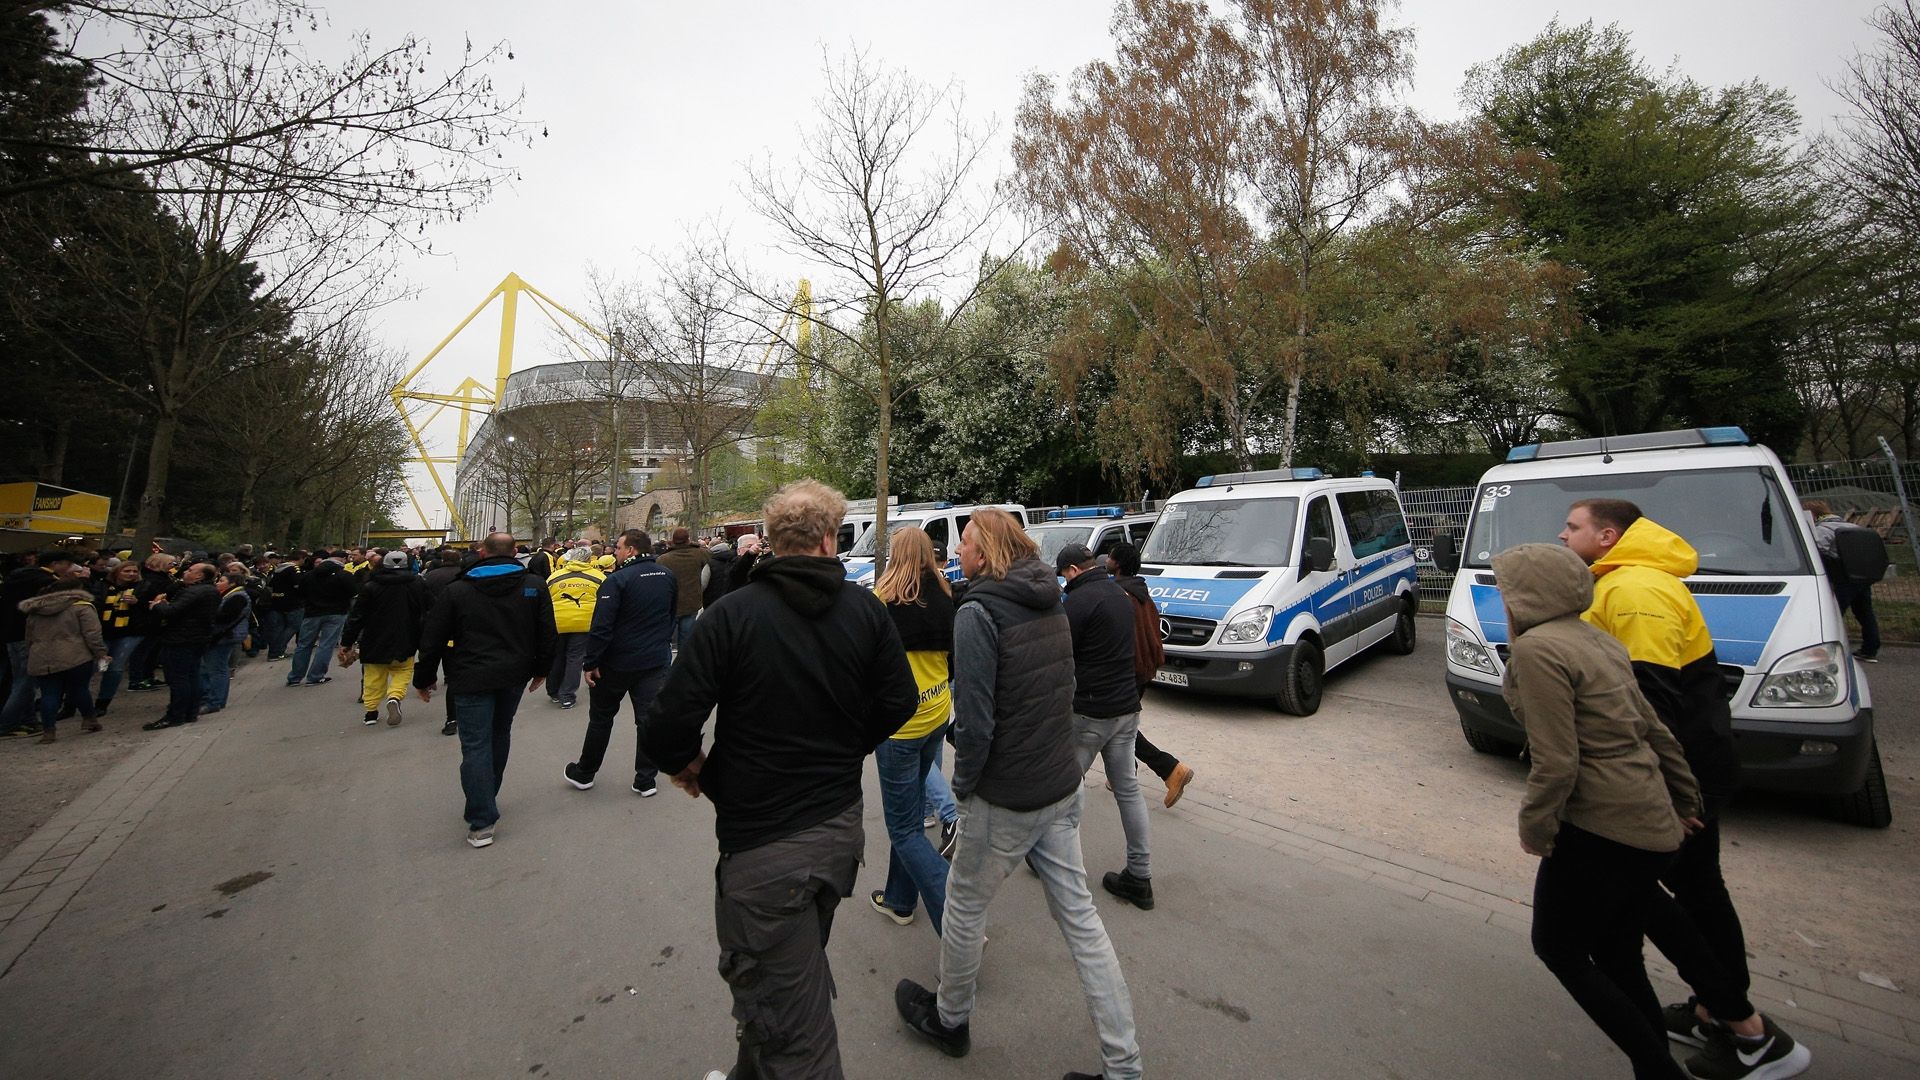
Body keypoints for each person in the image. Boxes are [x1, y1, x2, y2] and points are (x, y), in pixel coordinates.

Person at [641, 480, 917, 1080]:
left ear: (768, 541)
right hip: (837, 834)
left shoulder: (732, 616)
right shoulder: (866, 611)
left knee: (797, 1037)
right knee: (785, 981)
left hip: (765, 849)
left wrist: (694, 767)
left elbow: (665, 724)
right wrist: (847, 747)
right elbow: (899, 701)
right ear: (829, 538)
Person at [1559, 500, 1810, 1079]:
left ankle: (1744, 1028)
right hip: (1679, 771)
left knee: (1672, 893)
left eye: (1572, 526)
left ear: (1607, 534)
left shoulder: (1636, 591)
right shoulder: (1623, 582)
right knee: (1692, 891)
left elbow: (1651, 704)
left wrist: (1668, 793)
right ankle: (1716, 1012)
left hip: (1676, 774)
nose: (1562, 533)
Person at [893, 508, 1143, 1080]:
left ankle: (950, 1021)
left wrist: (962, 790)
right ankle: (1124, 1066)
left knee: (962, 910)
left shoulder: (977, 611)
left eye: (966, 545)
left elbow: (976, 721)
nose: (957, 554)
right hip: (1057, 785)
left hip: (1005, 794)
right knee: (1083, 922)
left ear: (989, 551)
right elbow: (1066, 687)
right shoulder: (1051, 597)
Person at [1496, 541, 1722, 1080]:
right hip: (1649, 819)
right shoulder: (1597, 639)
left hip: (1600, 825)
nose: (1504, 599)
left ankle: (1658, 1068)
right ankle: (1657, 1066)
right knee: (1619, 955)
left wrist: (1536, 829)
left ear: (1526, 595)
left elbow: (1557, 760)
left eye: (1506, 588)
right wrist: (1686, 801)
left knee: (1559, 949)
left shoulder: (1539, 651)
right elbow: (1654, 730)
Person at [414, 533, 556, 848]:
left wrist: (424, 677)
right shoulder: (533, 586)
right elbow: (547, 631)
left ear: (482, 553)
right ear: (515, 552)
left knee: (476, 744)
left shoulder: (458, 591)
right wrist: (541, 670)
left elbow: (433, 637)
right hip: (513, 673)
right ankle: (486, 796)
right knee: (499, 732)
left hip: (470, 674)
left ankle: (482, 817)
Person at [1056, 542, 1156, 911]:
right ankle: (1139, 875)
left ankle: (1057, 867)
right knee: (1128, 790)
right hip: (1126, 707)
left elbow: (1064, 655)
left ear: (1072, 571)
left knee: (1063, 789)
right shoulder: (1120, 593)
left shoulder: (1078, 603)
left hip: (1090, 712)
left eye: (1064, 575)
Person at [867, 526, 957, 932]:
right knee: (908, 816)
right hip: (937, 714)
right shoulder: (946, 595)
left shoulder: (880, 601)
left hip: (899, 726)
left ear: (894, 554)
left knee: (903, 829)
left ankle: (958, 920)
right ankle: (901, 899)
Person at [565, 529, 674, 794]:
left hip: (617, 663)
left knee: (601, 718)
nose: (615, 551)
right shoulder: (667, 576)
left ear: (632, 550)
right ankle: (646, 779)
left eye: (619, 547)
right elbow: (673, 615)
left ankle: (585, 772)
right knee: (648, 720)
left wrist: (590, 662)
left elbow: (602, 627)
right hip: (654, 660)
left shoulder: (617, 580)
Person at [1109, 542, 1196, 807]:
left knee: (1117, 727)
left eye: (1111, 556)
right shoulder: (1141, 591)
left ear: (1118, 564)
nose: (1107, 559)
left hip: (1127, 671)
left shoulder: (1120, 595)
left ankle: (1170, 770)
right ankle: (1125, 773)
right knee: (1120, 726)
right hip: (1144, 669)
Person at [340, 549, 430, 727]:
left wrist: (347, 642)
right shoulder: (417, 584)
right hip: (407, 635)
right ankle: (395, 697)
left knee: (373, 675)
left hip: (374, 637)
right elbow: (429, 608)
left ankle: (371, 711)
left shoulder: (371, 586)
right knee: (403, 670)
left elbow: (357, 616)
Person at [18, 574, 108, 743]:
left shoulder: (35, 609)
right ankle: (89, 719)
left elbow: (28, 636)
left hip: (41, 656)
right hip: (75, 654)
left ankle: (48, 731)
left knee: (49, 694)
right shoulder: (81, 607)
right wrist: (100, 653)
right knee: (79, 689)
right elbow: (92, 634)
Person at [3, 550, 73, 735]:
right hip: (31, 634)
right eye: (67, 564)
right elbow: (49, 609)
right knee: (26, 681)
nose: (69, 568)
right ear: (56, 563)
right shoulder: (46, 581)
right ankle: (6, 723)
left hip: (11, 633)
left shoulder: (17, 577)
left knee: (19, 678)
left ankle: (27, 719)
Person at [142, 563, 220, 731]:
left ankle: (175, 715)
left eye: (191, 570)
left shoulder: (192, 592)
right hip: (198, 639)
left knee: (178, 678)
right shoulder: (210, 590)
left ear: (199, 576)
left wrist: (158, 605)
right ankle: (190, 712)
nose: (186, 572)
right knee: (192, 675)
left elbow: (173, 611)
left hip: (180, 639)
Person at [1804, 500, 1881, 662]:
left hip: (1843, 579)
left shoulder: (1822, 529)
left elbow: (1817, 550)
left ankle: (1826, 650)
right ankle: (1870, 649)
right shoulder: (1853, 527)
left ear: (1812, 515)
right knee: (1865, 613)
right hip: (1861, 576)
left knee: (1833, 614)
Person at [94, 561, 158, 715]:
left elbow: (153, 607)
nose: (131, 574)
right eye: (127, 571)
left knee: (115, 668)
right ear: (117, 572)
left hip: (130, 632)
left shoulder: (144, 587)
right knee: (93, 666)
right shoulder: (101, 586)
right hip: (103, 631)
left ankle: (102, 702)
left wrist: (138, 603)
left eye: (134, 571)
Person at [544, 548, 603, 710]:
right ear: (588, 559)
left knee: (558, 656)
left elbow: (546, 598)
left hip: (558, 621)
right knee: (575, 658)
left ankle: (553, 690)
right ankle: (567, 695)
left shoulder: (555, 576)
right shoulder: (598, 577)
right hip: (583, 623)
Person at [286, 552, 356, 686]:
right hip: (336, 613)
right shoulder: (344, 575)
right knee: (326, 645)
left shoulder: (308, 576)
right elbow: (353, 592)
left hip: (312, 613)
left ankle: (295, 677)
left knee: (303, 645)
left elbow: (301, 593)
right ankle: (316, 676)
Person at [422, 546, 466, 736]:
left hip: (434, 621)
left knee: (434, 650)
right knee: (455, 663)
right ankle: (448, 676)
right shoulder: (465, 576)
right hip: (459, 626)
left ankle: (452, 719)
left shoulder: (430, 576)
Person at [197, 569, 253, 715]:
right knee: (213, 668)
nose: (218, 583)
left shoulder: (237, 597)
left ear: (232, 583)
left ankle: (214, 701)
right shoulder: (230, 595)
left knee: (217, 669)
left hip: (224, 636)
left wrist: (207, 613)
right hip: (224, 635)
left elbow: (226, 617)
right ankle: (214, 699)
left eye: (222, 581)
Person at [657, 526, 710, 650]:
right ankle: (683, 664)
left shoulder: (663, 559)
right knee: (686, 641)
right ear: (688, 539)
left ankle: (667, 666)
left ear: (673, 540)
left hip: (670, 604)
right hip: (692, 602)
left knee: (665, 640)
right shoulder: (700, 553)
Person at [261, 551, 304, 661]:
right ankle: (278, 650)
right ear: (301, 558)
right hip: (292, 602)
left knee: (279, 628)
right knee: (294, 626)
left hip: (277, 600)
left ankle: (274, 652)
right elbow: (298, 585)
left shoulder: (278, 569)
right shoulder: (294, 569)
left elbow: (271, 584)